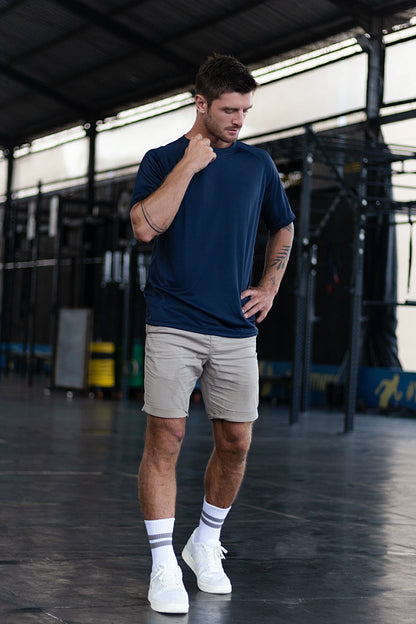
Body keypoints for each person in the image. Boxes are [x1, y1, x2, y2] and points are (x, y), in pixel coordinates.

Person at [130, 53, 295, 614]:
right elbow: (145, 227)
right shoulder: (161, 160)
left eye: (246, 111)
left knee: (237, 442)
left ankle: (205, 541)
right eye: (229, 110)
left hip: (234, 328)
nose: (239, 121)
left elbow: (284, 226)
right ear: (200, 104)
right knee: (166, 439)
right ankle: (163, 564)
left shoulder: (257, 165)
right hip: (173, 321)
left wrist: (269, 287)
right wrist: (189, 165)